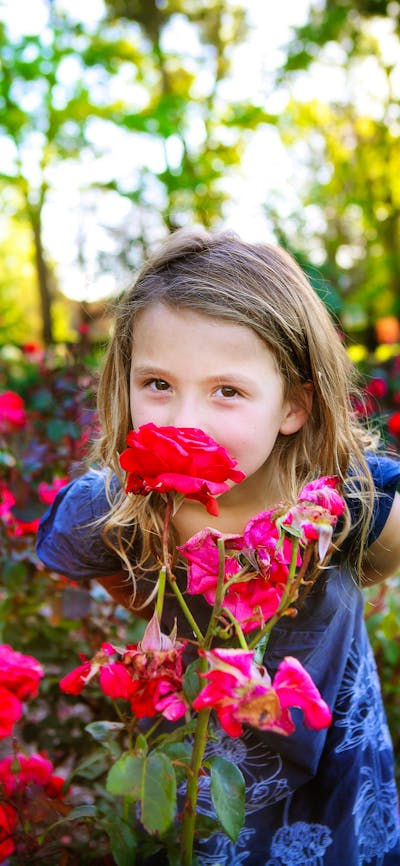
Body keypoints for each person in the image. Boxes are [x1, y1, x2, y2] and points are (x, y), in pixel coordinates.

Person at [36, 228, 400, 865]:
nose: (183, 424)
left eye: (226, 391)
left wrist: (307, 593)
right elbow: (97, 562)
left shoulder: (348, 503)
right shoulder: (116, 505)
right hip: (185, 779)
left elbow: (379, 563)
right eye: (157, 385)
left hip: (329, 788)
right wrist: (159, 604)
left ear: (293, 406)